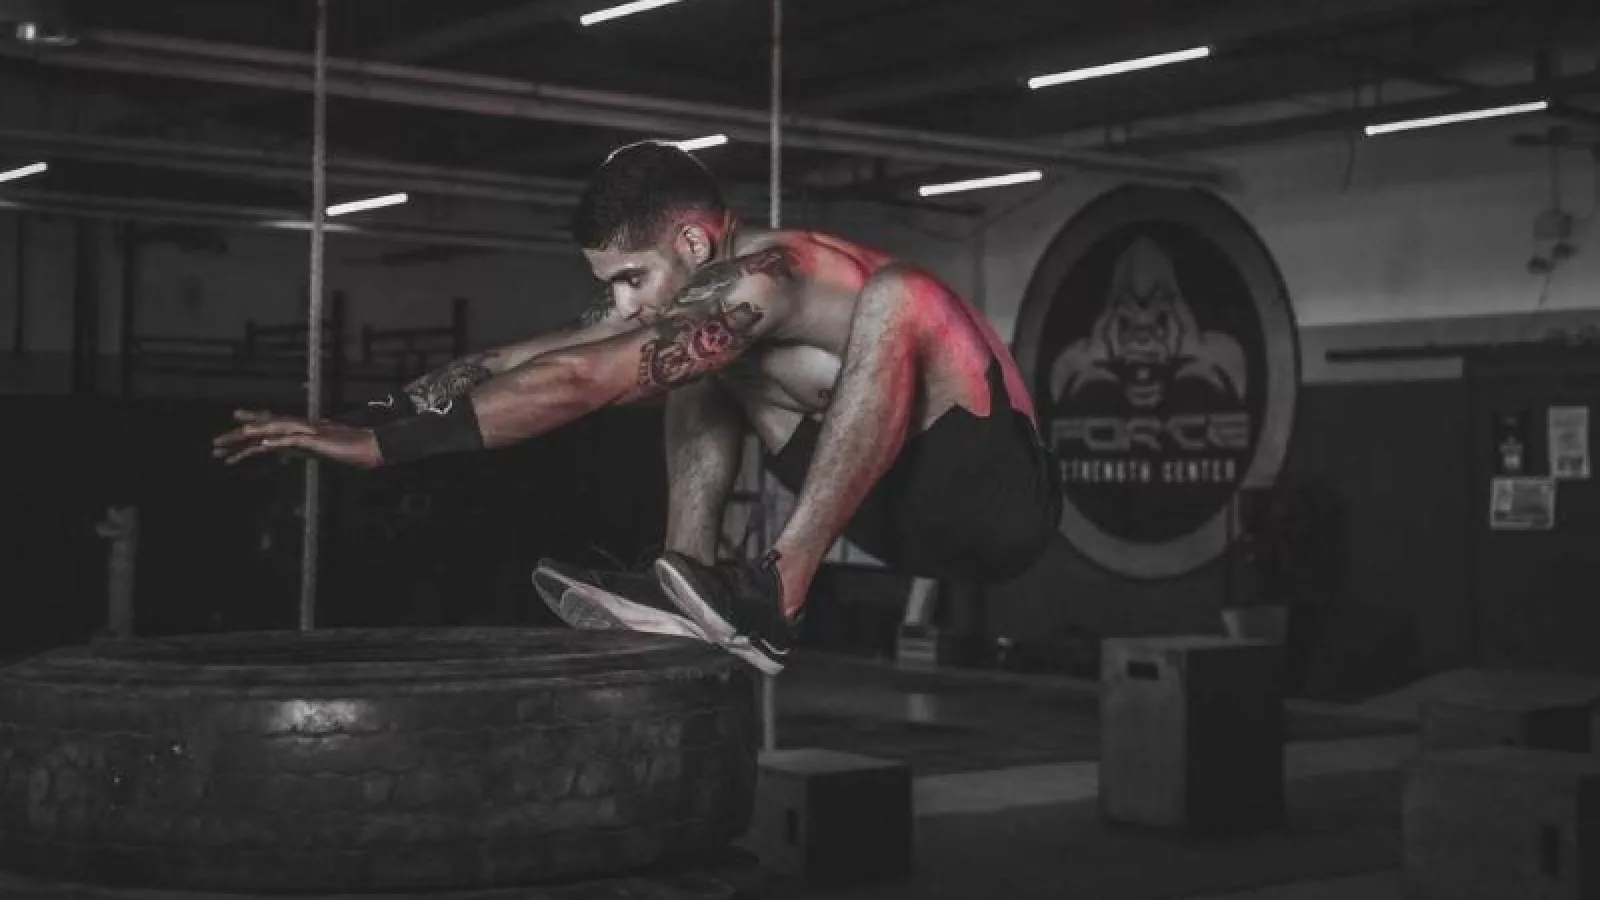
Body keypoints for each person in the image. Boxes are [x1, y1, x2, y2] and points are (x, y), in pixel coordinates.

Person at [214, 141, 1060, 676]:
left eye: (629, 278)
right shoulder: (691, 294)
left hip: (994, 501)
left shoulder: (781, 274)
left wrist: (383, 454)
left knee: (904, 295)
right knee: (686, 357)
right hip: (892, 514)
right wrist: (373, 417)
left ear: (693, 242)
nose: (621, 302)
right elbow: (533, 358)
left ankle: (778, 598)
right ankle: (684, 574)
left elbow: (584, 384)